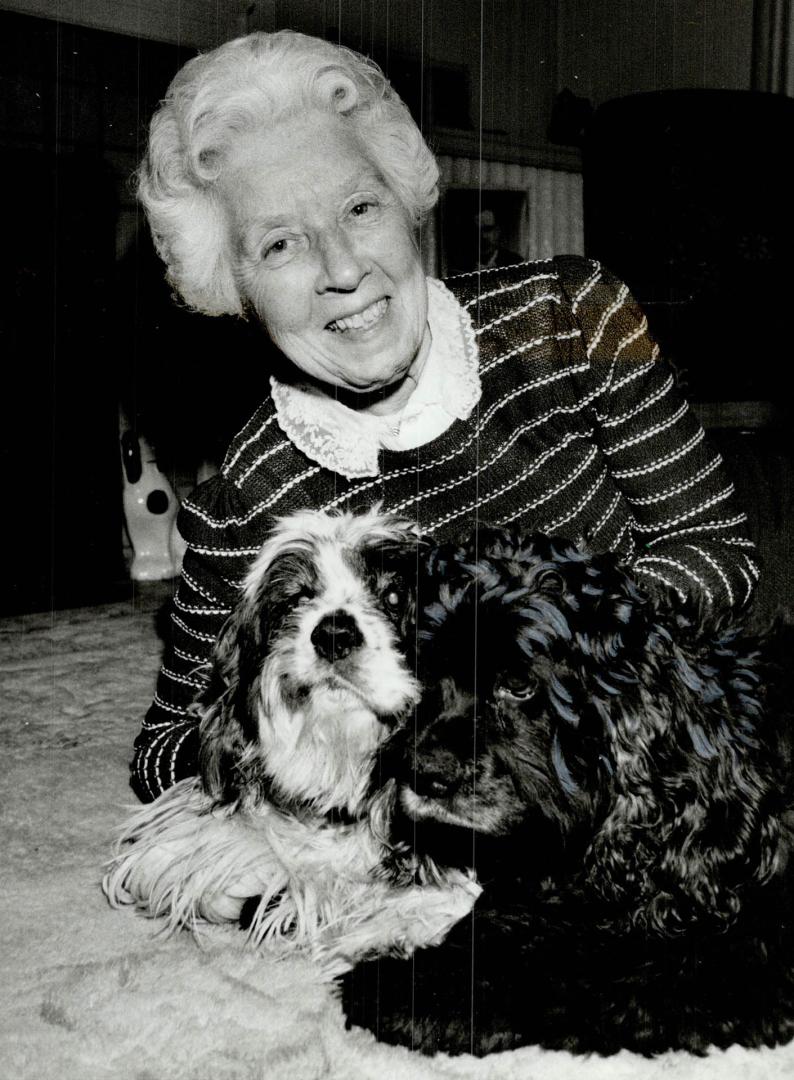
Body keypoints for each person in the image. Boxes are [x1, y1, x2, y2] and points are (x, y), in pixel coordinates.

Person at [131, 30, 758, 802]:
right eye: (282, 244)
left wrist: (555, 665)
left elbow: (714, 548)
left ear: (406, 202)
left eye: (361, 207)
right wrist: (322, 754)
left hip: (637, 759)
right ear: (232, 285)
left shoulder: (574, 321)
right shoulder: (243, 504)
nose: (344, 269)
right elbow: (164, 747)